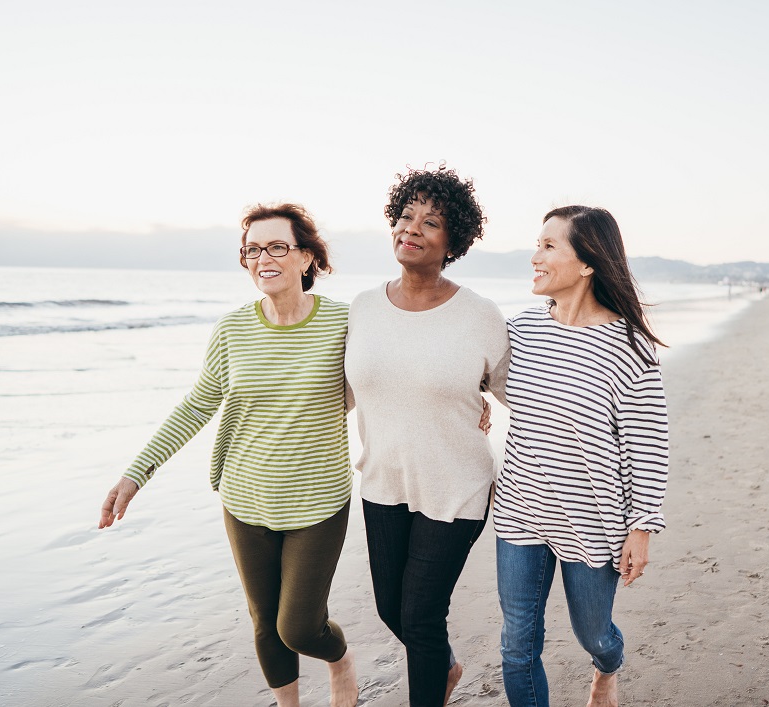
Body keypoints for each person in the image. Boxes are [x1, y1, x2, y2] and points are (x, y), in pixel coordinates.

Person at [98, 204, 358, 707]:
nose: (264, 258)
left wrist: (472, 393)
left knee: (299, 627)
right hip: (245, 498)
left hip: (318, 500)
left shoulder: (346, 323)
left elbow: (396, 372)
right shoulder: (233, 330)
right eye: (253, 249)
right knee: (265, 625)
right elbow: (198, 404)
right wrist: (135, 475)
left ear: (307, 258)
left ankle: (340, 659)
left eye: (277, 246)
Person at [343, 165, 510, 707]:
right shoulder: (363, 308)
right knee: (392, 609)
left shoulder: (480, 315)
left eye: (431, 221)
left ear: (453, 240)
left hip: (456, 486)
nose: (411, 228)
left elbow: (520, 396)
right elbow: (338, 394)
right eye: (405, 215)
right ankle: (445, 668)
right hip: (383, 480)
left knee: (419, 614)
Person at [494, 206, 670, 707]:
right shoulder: (522, 330)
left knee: (594, 635)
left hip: (592, 521)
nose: (535, 257)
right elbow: (479, 377)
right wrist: (475, 406)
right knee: (517, 645)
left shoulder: (629, 347)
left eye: (549, 246)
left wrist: (642, 528)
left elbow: (648, 446)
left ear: (588, 262)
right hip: (520, 511)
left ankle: (607, 669)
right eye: (538, 244)